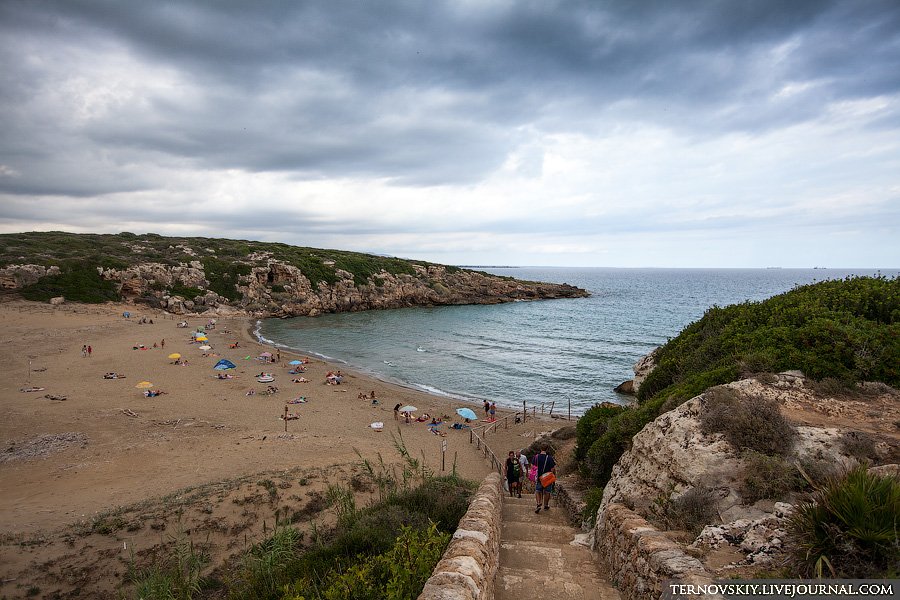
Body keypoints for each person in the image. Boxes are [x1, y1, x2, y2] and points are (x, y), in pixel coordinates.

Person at [533, 445, 556, 513]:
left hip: (539, 478)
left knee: (538, 491)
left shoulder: (536, 457)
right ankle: (545, 505)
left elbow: (532, 466)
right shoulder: (549, 458)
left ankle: (538, 504)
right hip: (547, 478)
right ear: (547, 449)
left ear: (540, 449)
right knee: (547, 492)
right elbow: (552, 469)